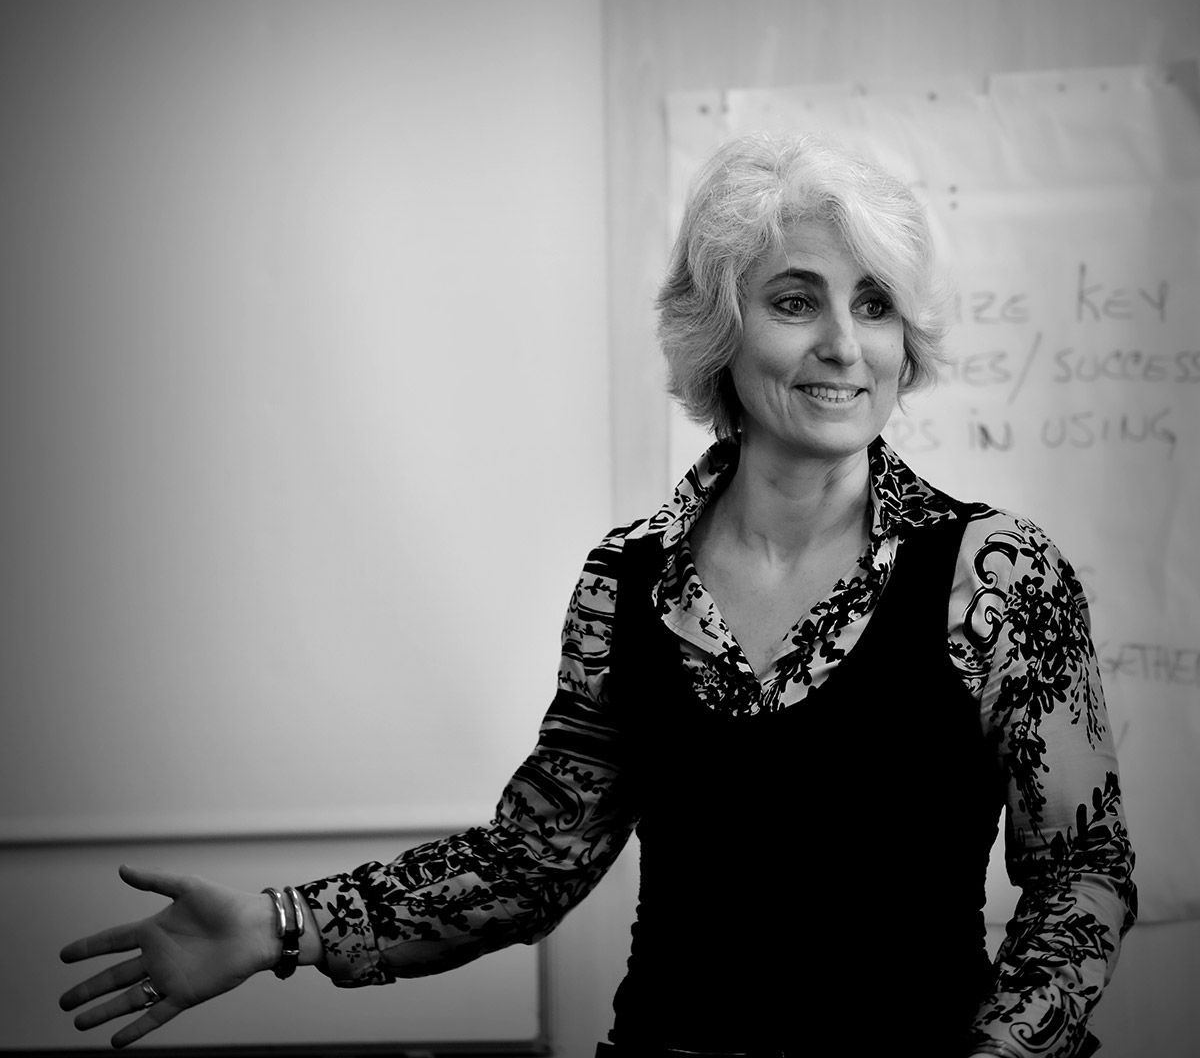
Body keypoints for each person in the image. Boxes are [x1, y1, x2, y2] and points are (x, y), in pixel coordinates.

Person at [60, 134, 1136, 1057]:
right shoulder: (627, 579)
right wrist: (275, 924)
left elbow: (1083, 875)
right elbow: (532, 860)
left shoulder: (998, 574)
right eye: (795, 301)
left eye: (876, 306)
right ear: (721, 333)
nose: (844, 346)